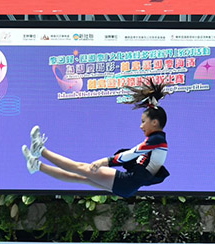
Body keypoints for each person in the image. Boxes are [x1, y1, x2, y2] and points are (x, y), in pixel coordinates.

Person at [22, 80, 171, 197]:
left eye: (143, 121)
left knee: (81, 168)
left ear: (155, 122)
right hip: (128, 186)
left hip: (128, 182)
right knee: (80, 177)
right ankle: (37, 166)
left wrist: (104, 161)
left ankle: (40, 150)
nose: (141, 126)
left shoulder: (157, 140)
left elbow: (132, 153)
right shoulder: (157, 141)